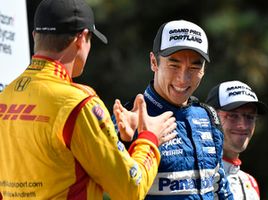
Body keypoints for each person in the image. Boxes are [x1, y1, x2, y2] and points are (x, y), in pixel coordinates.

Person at [0, 0, 177, 199]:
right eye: (90, 40)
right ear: (81, 38)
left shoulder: (5, 95)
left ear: (35, 36)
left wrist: (125, 141)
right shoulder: (78, 103)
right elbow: (129, 189)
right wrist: (149, 138)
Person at [115, 19, 233, 199]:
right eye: (174, 65)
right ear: (154, 62)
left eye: (195, 66)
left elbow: (219, 188)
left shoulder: (209, 117)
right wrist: (124, 141)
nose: (183, 79)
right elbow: (114, 187)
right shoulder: (131, 117)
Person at [205, 80, 268, 200]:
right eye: (233, 115)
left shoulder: (250, 183)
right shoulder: (194, 176)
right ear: (210, 118)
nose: (243, 126)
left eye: (250, 117)